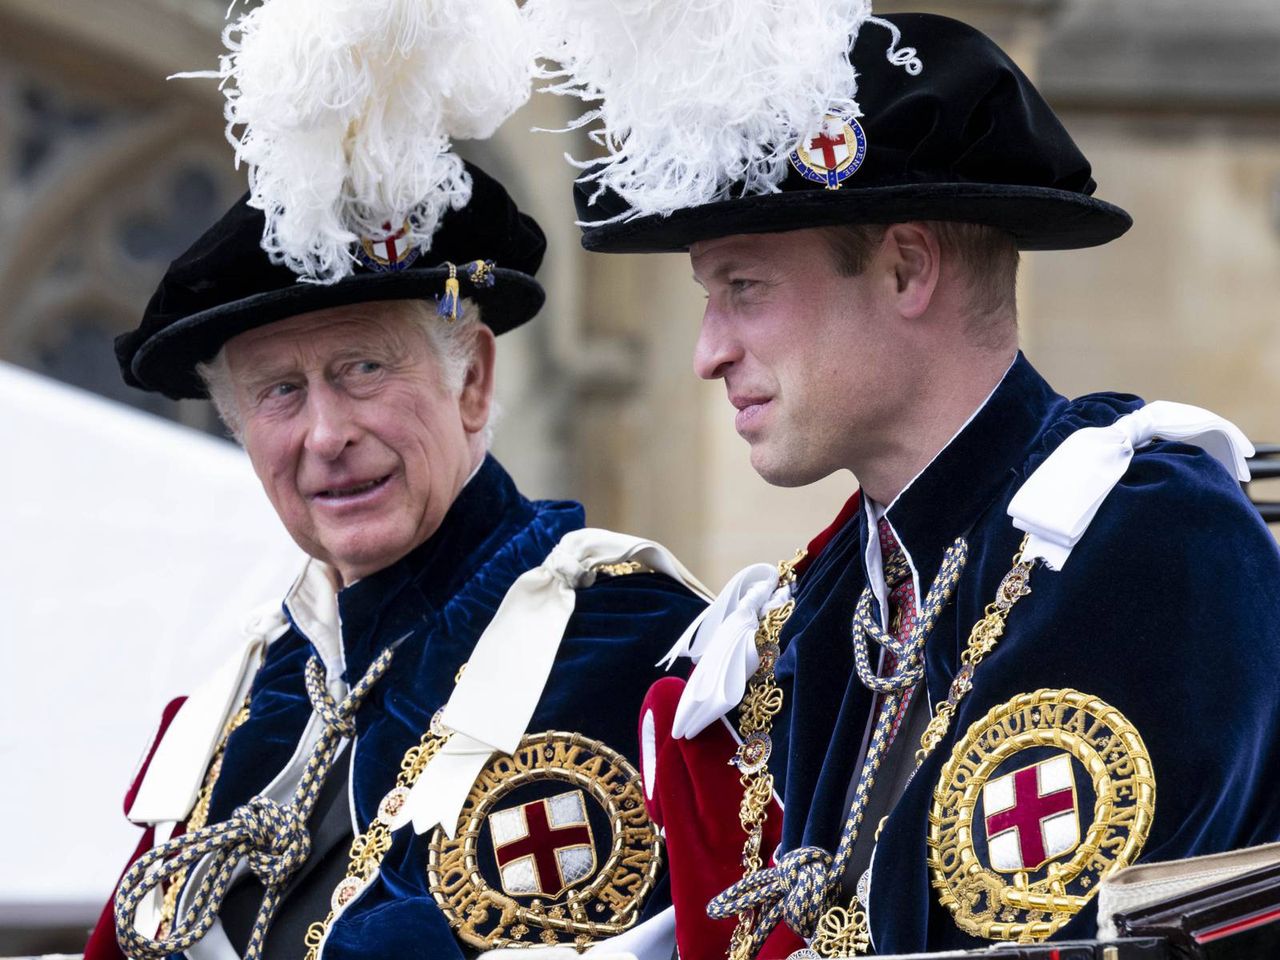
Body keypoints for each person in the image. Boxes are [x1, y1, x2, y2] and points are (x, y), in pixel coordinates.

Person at [532, 8, 1280, 958]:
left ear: (905, 269)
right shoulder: (825, 608)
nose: (708, 352)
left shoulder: (1148, 543)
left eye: (744, 289)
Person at [84, 2, 709, 958]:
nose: (328, 434)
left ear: (474, 382)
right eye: (280, 393)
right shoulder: (247, 693)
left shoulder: (626, 643)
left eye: (363, 370)